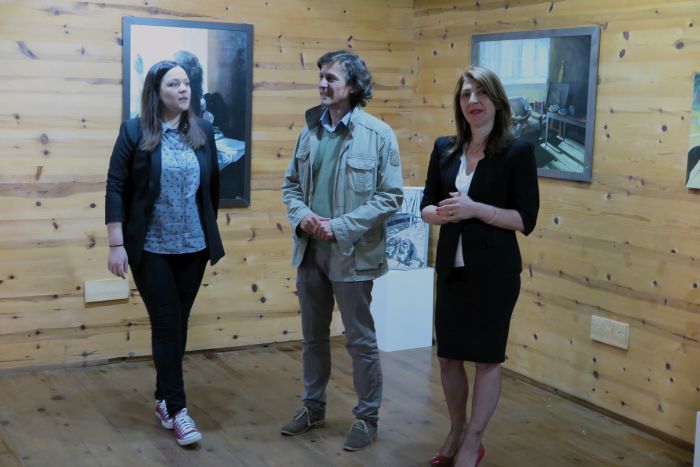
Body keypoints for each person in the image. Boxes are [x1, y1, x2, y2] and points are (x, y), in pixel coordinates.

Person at [280, 50, 403, 451]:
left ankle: (367, 418)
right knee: (313, 337)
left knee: (360, 340)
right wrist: (303, 217)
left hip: (352, 253)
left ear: (353, 86)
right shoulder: (310, 131)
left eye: (331, 78)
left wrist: (339, 226)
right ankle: (312, 407)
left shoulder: (378, 134)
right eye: (321, 77)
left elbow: (390, 197)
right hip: (310, 251)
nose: (322, 84)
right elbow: (290, 186)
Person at [420, 66, 539, 467]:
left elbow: (524, 219)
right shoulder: (444, 149)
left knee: (487, 359)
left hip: (494, 275)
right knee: (448, 357)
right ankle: (455, 430)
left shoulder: (517, 153)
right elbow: (426, 205)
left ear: (497, 101)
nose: (473, 101)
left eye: (481, 93)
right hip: (451, 272)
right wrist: (438, 214)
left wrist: (475, 210)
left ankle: (473, 441)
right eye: (466, 94)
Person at [105, 60, 224, 447]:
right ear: (156, 91)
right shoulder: (135, 130)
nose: (183, 90)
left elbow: (212, 188)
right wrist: (116, 244)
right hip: (151, 247)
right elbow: (115, 187)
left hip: (194, 247)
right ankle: (178, 409)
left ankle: (163, 399)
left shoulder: (202, 129)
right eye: (174, 84)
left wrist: (207, 230)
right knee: (167, 323)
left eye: (186, 83)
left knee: (178, 324)